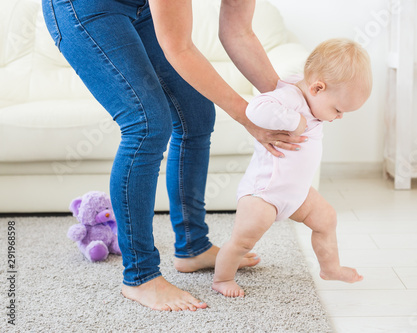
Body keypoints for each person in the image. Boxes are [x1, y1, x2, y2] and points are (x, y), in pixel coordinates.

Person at [41, 0, 306, 312]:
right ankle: (140, 275)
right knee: (147, 123)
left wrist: (289, 102)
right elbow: (178, 48)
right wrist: (248, 117)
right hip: (85, 7)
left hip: (141, 7)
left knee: (196, 113)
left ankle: (192, 246)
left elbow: (239, 32)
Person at [212, 38, 373, 297]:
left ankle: (330, 268)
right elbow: (256, 108)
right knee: (243, 240)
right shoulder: (291, 98)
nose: (339, 117)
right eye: (338, 110)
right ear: (317, 88)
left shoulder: (312, 96)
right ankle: (222, 279)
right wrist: (292, 119)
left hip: (297, 193)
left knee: (326, 218)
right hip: (264, 193)